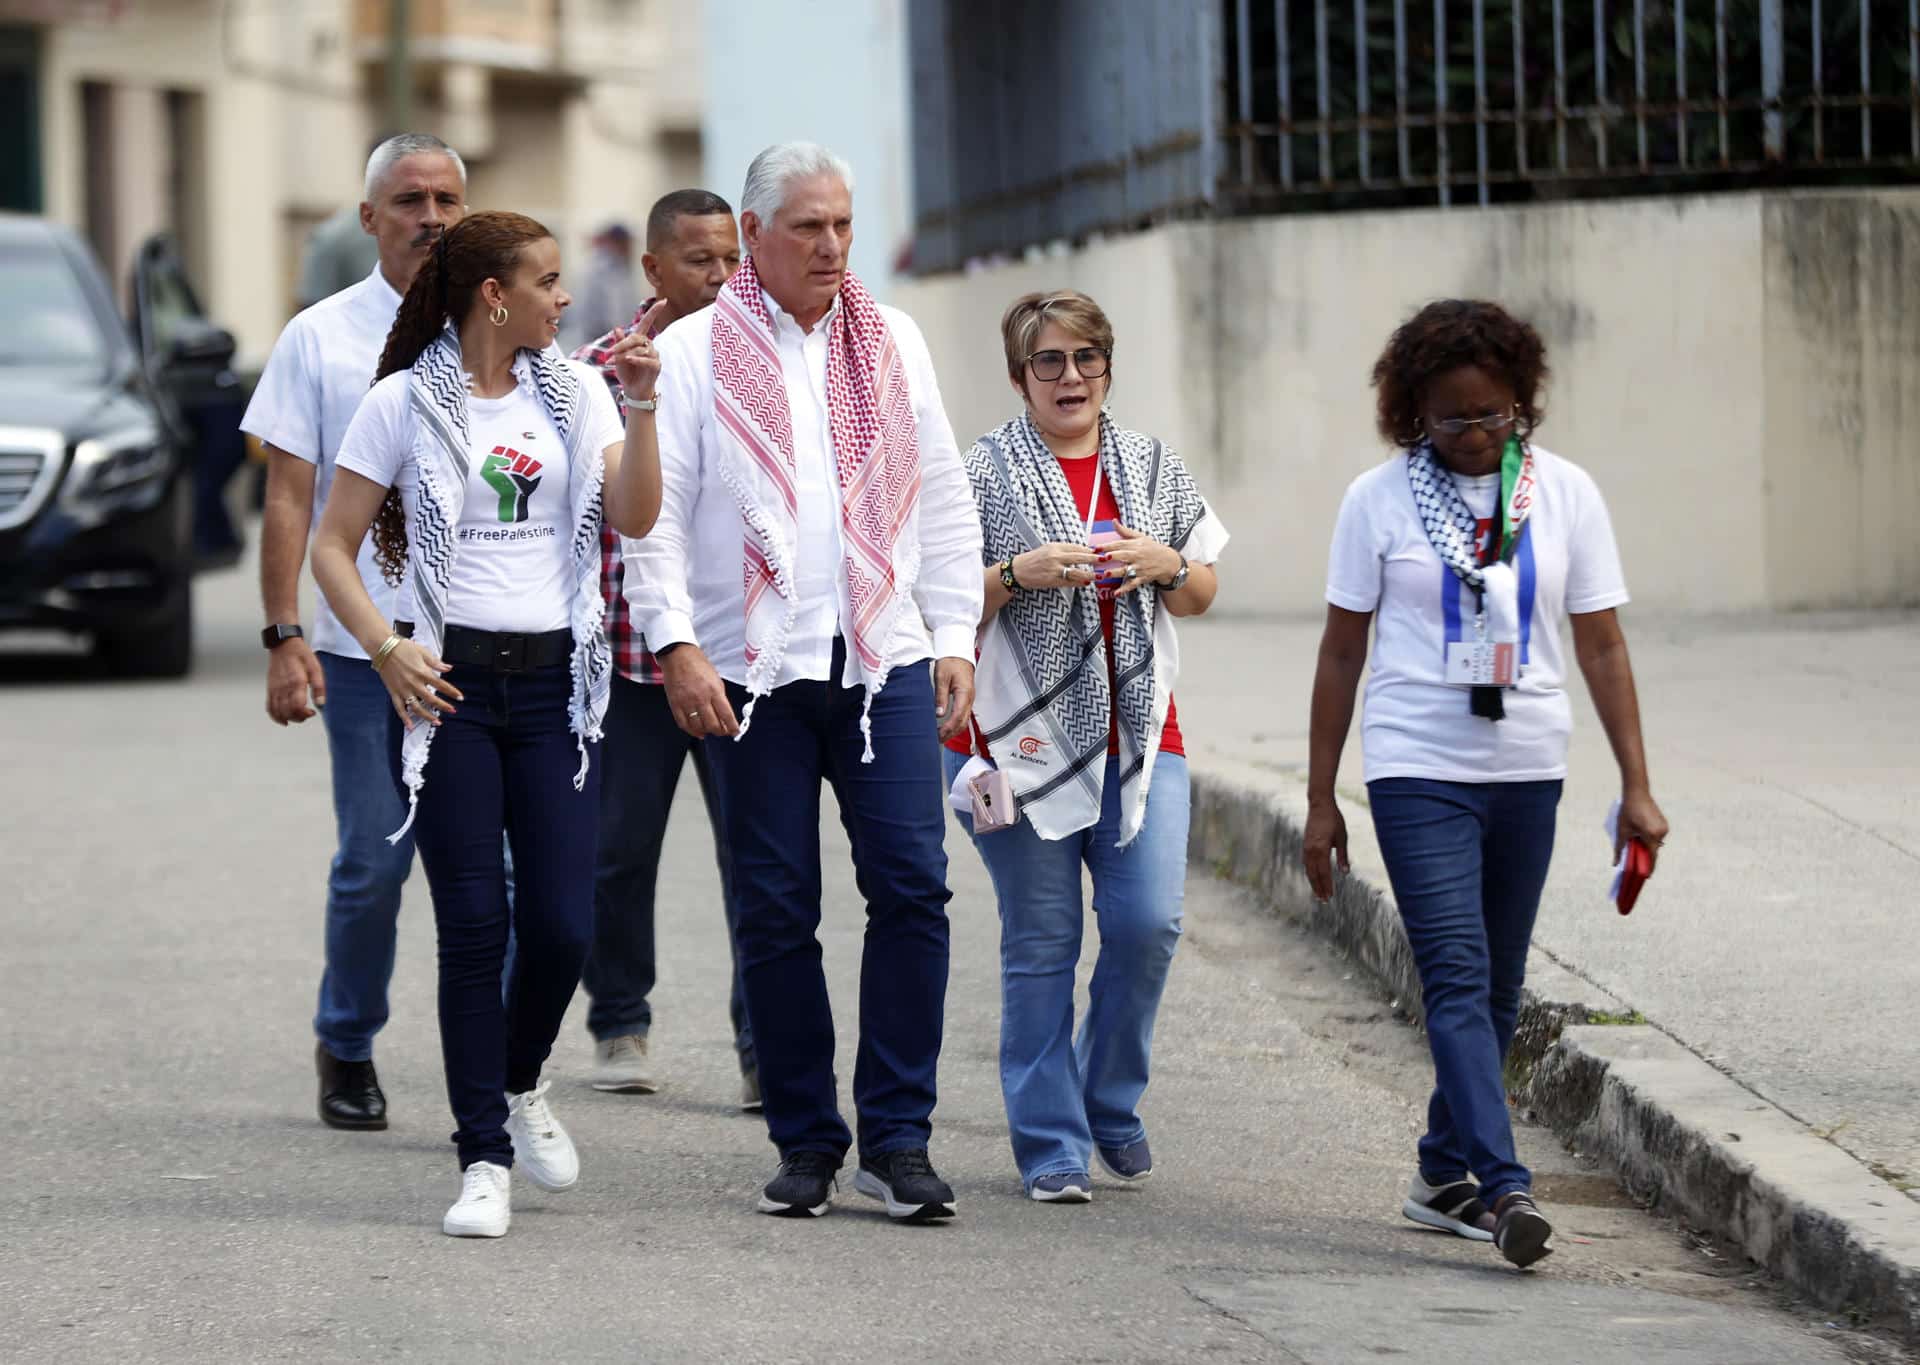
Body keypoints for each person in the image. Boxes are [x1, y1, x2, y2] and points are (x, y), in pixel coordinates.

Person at [623, 142, 983, 1222]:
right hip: (753, 672)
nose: (833, 246)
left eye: (844, 224)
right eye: (810, 227)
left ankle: (899, 1138)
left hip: (882, 659)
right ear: (758, 233)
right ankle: (806, 1141)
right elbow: (653, 519)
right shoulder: (693, 350)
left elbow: (942, 491)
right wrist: (676, 647)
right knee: (777, 912)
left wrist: (954, 629)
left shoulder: (894, 339)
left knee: (914, 890)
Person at [310, 210, 662, 1238]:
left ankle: (519, 1079)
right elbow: (333, 547)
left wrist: (640, 411)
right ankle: (482, 1159)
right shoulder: (400, 405)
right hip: (447, 691)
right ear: (493, 296)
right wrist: (385, 645)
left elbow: (635, 518)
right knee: (473, 929)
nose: (566, 298)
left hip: (558, 689)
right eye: (547, 282)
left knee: (562, 923)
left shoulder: (579, 393)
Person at [1301, 299, 1669, 1269]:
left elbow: (1601, 642)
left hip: (1527, 769)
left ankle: (1439, 1173)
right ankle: (1504, 1192)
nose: (1472, 437)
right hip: (1416, 765)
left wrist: (1638, 782)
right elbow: (1343, 654)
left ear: (1522, 405)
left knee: (1499, 986)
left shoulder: (1568, 495)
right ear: (1411, 412)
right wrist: (1318, 799)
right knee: (1457, 976)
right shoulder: (1375, 502)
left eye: (1492, 416)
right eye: (1450, 420)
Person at [941, 291, 1228, 1203]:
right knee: (1044, 939)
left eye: (1086, 359)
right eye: (1048, 362)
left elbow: (1202, 589)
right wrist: (1011, 574)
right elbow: (939, 602)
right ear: (1019, 374)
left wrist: (1166, 564)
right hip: (1011, 736)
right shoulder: (980, 470)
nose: (1070, 377)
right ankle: (1051, 1144)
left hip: (1141, 732)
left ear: (1109, 366)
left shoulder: (1147, 463)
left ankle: (1109, 1097)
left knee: (1148, 924)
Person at [241, 132, 466, 1133]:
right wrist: (285, 632)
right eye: (410, 200)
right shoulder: (321, 337)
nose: (430, 218)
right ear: (369, 218)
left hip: (484, 650)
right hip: (360, 645)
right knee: (375, 859)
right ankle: (348, 1038)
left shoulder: (499, 331)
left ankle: (499, 1063)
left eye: (448, 200)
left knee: (494, 869)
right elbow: (290, 496)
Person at [569, 188, 755, 1104]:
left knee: (758, 856)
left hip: (739, 661)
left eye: (731, 259)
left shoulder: (768, 370)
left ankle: (763, 1044)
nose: (721, 278)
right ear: (652, 269)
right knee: (617, 849)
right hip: (629, 663)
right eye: (698, 261)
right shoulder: (595, 374)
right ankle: (619, 1022)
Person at [565, 222, 640, 350]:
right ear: (619, 242)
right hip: (599, 340)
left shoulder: (618, 266)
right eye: (627, 242)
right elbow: (614, 314)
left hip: (604, 340)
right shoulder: (604, 268)